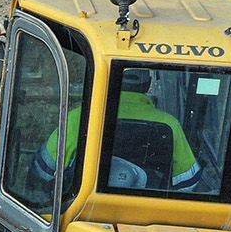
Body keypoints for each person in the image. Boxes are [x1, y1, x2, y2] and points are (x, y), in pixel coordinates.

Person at [35, 67, 202, 192]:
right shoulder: (170, 124)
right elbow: (188, 181)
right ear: (148, 84)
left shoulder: (78, 117)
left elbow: (45, 170)